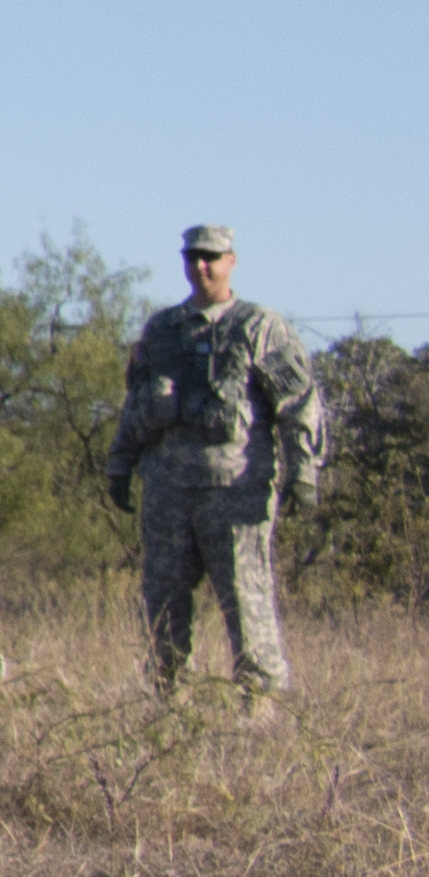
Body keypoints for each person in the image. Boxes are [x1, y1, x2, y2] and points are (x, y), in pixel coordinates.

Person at [108, 223, 327, 705]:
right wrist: (119, 465)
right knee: (163, 605)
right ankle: (168, 704)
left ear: (231, 261)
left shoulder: (259, 327)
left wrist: (303, 471)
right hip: (167, 492)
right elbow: (135, 403)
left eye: (210, 257)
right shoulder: (162, 330)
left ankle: (259, 706)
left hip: (235, 490)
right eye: (192, 257)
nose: (200, 266)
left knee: (247, 605)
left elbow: (297, 403)